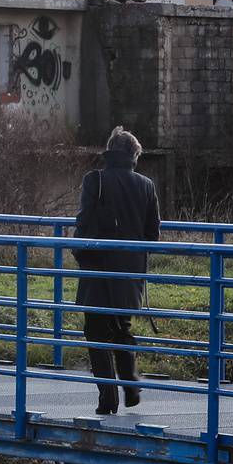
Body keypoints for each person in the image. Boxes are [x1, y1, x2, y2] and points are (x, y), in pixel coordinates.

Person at [74, 126, 162, 414]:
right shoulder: (146, 185)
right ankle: (131, 385)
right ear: (134, 155)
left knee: (96, 331)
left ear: (109, 152)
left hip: (97, 269)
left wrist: (79, 253)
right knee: (122, 328)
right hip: (130, 271)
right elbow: (153, 234)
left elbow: (84, 221)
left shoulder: (94, 180)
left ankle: (107, 398)